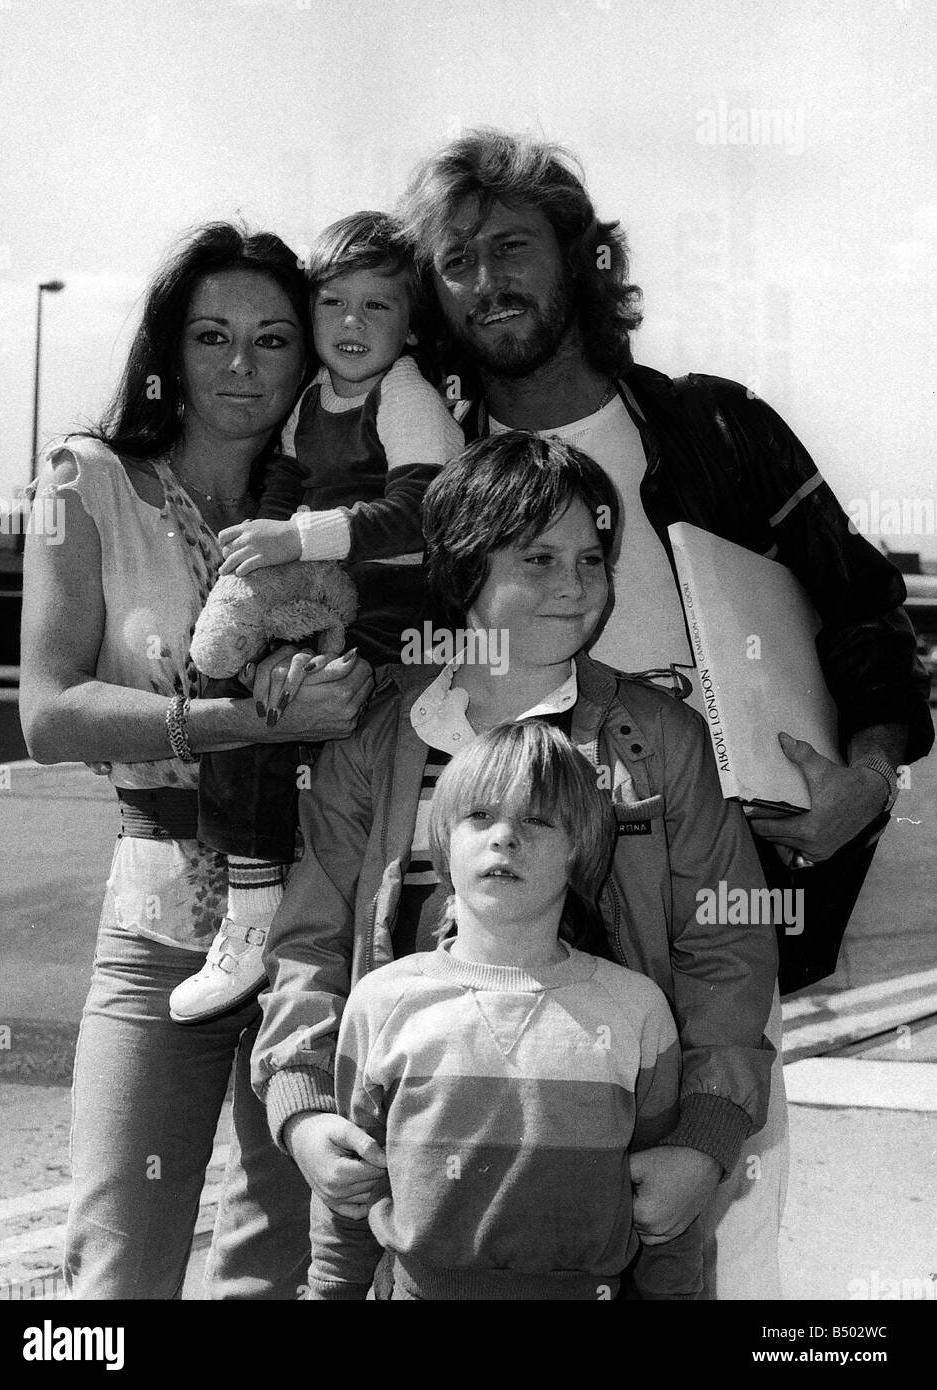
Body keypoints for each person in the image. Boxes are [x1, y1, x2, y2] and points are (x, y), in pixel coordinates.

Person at [393, 127, 933, 979]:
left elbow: (866, 612)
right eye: (457, 261)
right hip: (506, 925)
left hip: (721, 926)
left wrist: (865, 782)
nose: (487, 282)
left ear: (579, 260)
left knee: (721, 1113)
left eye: (512, 248)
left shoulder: (719, 433)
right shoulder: (430, 479)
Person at [250, 432, 778, 1299]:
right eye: (538, 558)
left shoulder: (661, 741)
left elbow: (727, 943)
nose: (574, 586)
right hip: (410, 1187)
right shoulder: (376, 736)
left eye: (592, 559)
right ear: (463, 569)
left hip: (612, 1177)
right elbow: (310, 941)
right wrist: (305, 1107)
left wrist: (704, 1136)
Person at [18, 222, 373, 1300]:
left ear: (308, 359)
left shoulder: (337, 511)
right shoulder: (84, 480)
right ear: (169, 348)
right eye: (213, 335)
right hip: (156, 926)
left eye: (272, 340)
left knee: (280, 1267)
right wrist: (237, 722)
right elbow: (49, 712)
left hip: (315, 933)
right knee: (113, 1266)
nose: (241, 366)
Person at [170, 211, 463, 1025]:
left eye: (379, 307)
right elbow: (285, 485)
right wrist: (257, 548)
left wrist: (295, 538)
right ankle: (252, 901)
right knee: (226, 675)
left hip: (396, 615)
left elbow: (421, 513)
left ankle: (329, 943)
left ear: (410, 323)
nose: (353, 324)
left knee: (313, 722)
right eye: (334, 304)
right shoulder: (312, 400)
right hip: (326, 590)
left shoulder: (406, 397)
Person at [307, 720, 703, 1301]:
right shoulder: (382, 1001)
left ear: (582, 849)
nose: (504, 838)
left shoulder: (636, 1008)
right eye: (480, 816)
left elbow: (666, 1199)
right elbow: (349, 1186)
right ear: (443, 839)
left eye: (537, 820)